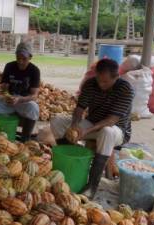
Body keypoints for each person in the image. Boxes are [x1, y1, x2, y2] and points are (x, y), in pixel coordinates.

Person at [50, 58, 134, 199]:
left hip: (117, 130)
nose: (101, 85)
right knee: (57, 121)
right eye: (99, 80)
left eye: (105, 82)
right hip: (92, 123)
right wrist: (75, 125)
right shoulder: (90, 84)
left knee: (106, 132)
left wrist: (86, 131)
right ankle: (72, 160)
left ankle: (92, 185)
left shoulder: (125, 89)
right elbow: (79, 109)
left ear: (116, 77)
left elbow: (112, 120)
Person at [0, 42, 40, 142]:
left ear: (30, 57)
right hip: (9, 100)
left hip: (23, 102)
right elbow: (4, 88)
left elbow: (34, 95)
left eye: (24, 59)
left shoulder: (34, 70)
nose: (20, 61)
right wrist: (6, 95)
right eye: (18, 58)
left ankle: (25, 139)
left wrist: (20, 99)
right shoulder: (9, 66)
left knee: (34, 108)